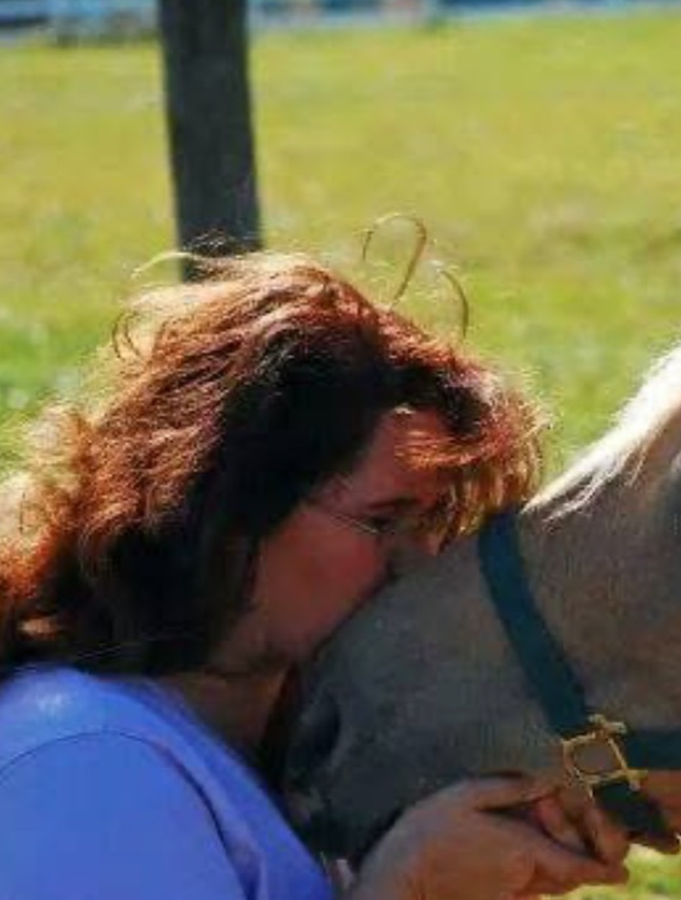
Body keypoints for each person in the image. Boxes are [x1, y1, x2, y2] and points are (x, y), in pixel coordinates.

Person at [0, 253, 631, 900]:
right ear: (230, 506)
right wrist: (411, 886)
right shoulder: (87, 763)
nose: (418, 563)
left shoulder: (294, 745)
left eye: (435, 524)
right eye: (383, 520)